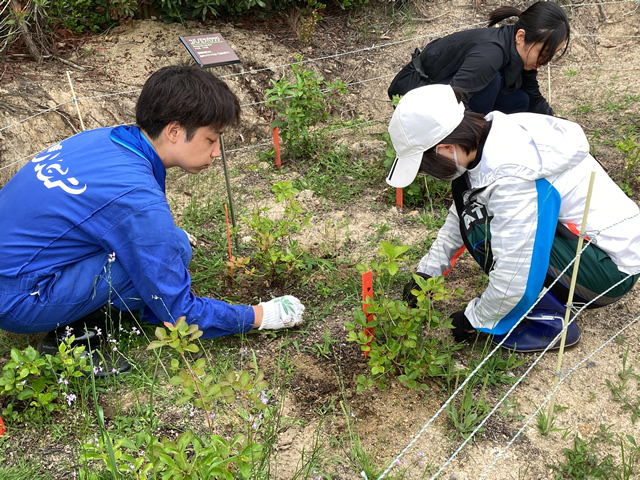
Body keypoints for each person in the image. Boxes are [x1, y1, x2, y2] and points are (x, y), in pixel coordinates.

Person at [0, 66, 305, 355]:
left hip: (19, 267)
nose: (216, 152)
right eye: (211, 139)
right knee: (166, 253)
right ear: (174, 131)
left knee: (176, 245)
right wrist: (257, 316)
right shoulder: (136, 195)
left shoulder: (102, 139)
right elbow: (182, 312)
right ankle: (75, 332)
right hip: (18, 299)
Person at [386, 84, 640, 352]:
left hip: (608, 271)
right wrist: (427, 272)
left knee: (484, 231)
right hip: (595, 245)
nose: (430, 174)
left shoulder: (513, 176)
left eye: (427, 166)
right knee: (472, 209)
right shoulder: (489, 135)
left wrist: (474, 320)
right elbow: (461, 214)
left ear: (446, 147)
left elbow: (515, 273)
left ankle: (549, 322)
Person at [387, 1, 569, 116]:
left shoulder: (518, 49)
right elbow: (452, 101)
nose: (545, 61)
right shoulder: (490, 55)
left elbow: (532, 93)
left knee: (520, 100)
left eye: (550, 55)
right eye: (543, 54)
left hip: (450, 89)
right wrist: (476, 138)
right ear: (521, 36)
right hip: (414, 91)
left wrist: (553, 119)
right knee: (493, 82)